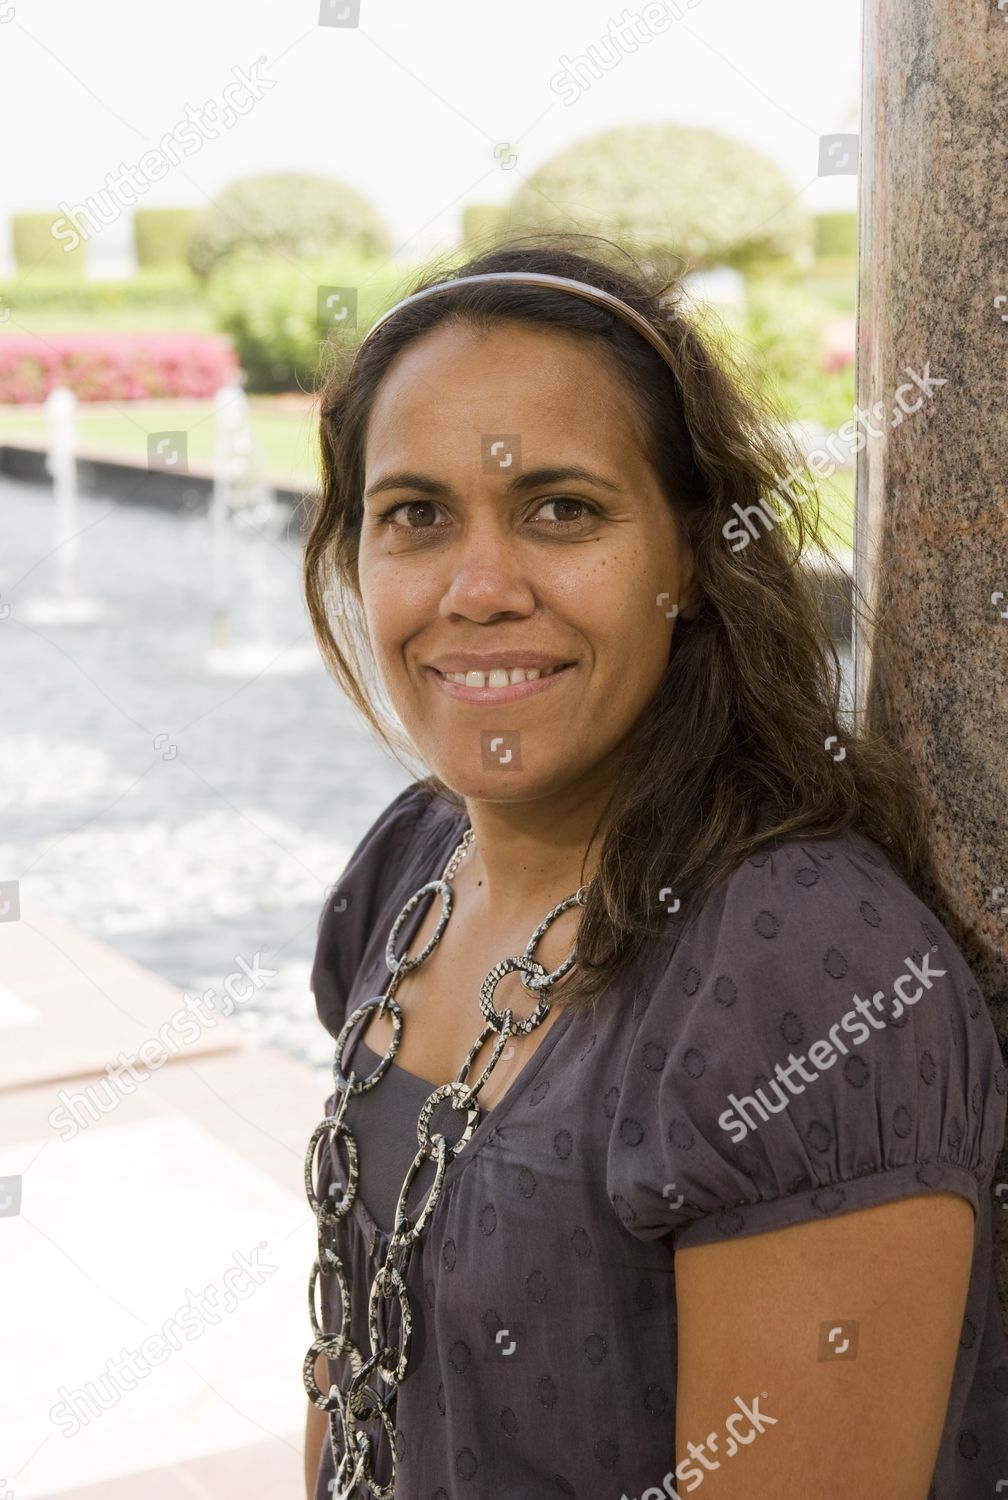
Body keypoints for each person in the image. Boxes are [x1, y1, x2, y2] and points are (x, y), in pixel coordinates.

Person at [299, 234, 1008, 1499]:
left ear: (690, 554)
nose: (477, 587)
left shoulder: (800, 978)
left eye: (562, 511)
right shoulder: (405, 870)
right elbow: (350, 1363)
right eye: (415, 516)